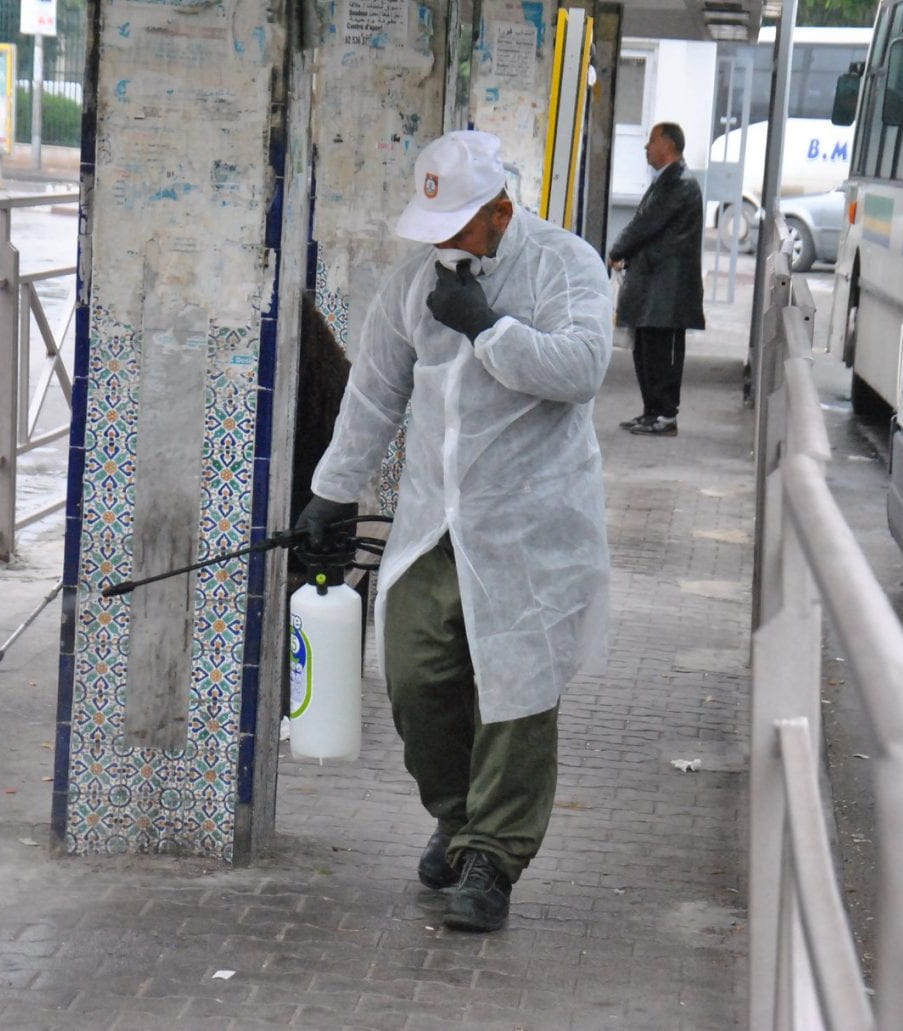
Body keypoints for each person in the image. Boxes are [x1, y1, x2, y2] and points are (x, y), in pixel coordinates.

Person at [295, 130, 612, 933]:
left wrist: (487, 328)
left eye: (460, 227)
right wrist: (330, 493)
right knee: (414, 676)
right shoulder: (412, 288)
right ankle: (458, 813)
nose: (443, 244)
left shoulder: (564, 264)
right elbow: (371, 397)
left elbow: (580, 370)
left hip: (533, 526)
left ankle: (492, 858)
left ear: (502, 210)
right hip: (434, 522)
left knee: (516, 692)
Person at [608, 122, 706, 437]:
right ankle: (651, 412)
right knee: (646, 350)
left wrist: (618, 249)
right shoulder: (666, 180)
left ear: (667, 144)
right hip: (652, 283)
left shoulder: (680, 183)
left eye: (651, 141)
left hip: (669, 286)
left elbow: (646, 223)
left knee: (663, 352)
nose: (646, 147)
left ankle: (665, 415)